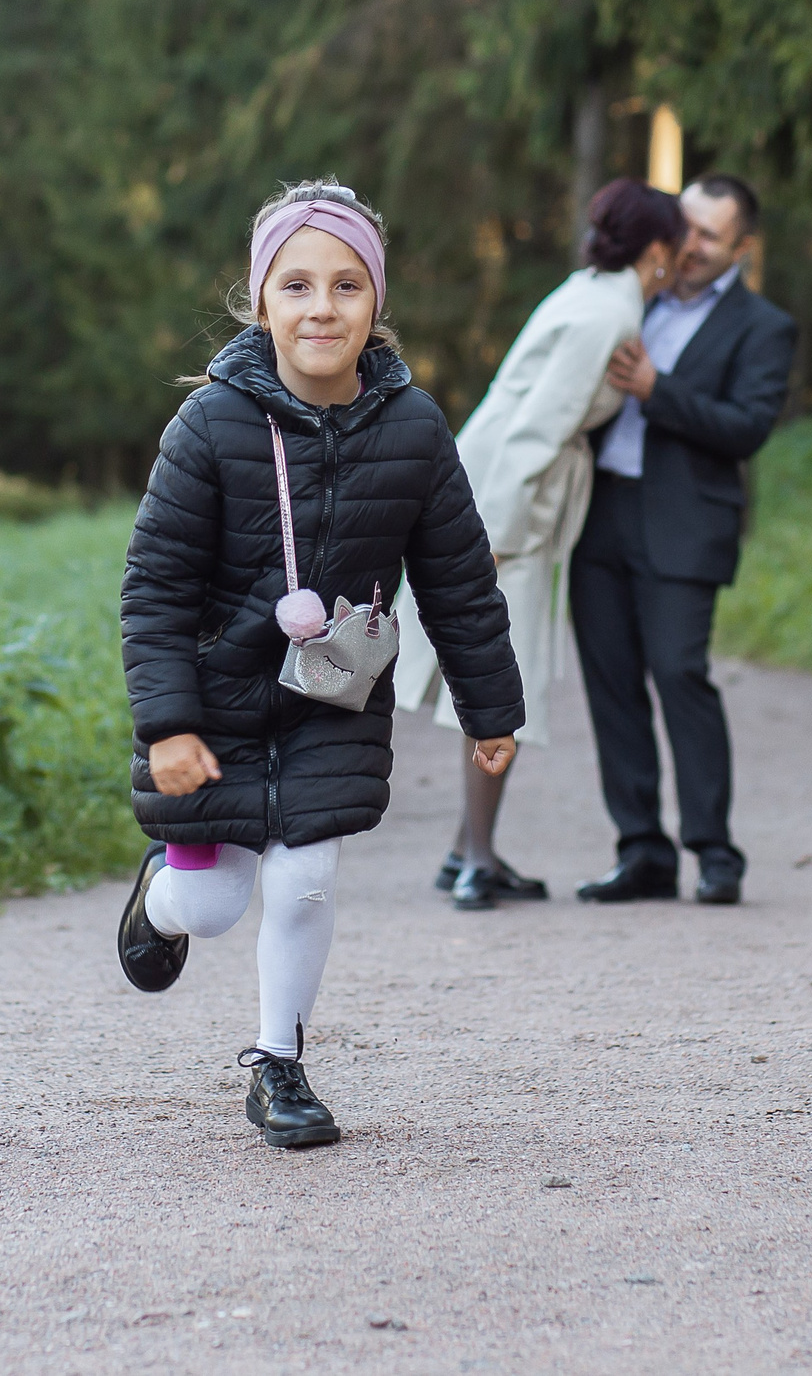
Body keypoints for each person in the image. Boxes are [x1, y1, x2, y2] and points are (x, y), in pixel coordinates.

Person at [114, 179, 524, 1148]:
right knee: (214, 904)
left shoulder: (414, 429)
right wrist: (167, 724)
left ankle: (277, 1064)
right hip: (213, 704)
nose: (322, 308)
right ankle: (158, 900)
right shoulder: (209, 426)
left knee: (303, 882)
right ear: (261, 302)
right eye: (296, 286)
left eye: (347, 285)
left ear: (376, 301)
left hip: (330, 701)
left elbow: (459, 582)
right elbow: (155, 589)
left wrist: (489, 709)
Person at [392, 180, 683, 909]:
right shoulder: (608, 314)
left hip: (513, 489)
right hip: (508, 498)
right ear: (657, 249)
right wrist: (491, 536)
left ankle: (468, 849)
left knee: (496, 672)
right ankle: (477, 861)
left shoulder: (591, 291)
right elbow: (536, 430)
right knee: (498, 676)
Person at [570, 172, 797, 906]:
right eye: (684, 225)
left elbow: (747, 427)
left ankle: (713, 849)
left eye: (709, 235)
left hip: (685, 524)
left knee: (679, 673)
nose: (688, 244)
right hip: (600, 512)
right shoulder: (631, 295)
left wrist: (656, 390)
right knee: (610, 682)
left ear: (743, 248)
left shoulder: (764, 327)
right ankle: (641, 849)